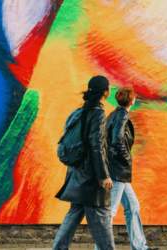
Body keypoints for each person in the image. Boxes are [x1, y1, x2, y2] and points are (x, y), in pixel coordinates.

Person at [52, 75, 115, 250]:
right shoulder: (98, 114)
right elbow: (97, 147)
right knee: (101, 214)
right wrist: (103, 176)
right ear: (105, 92)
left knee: (75, 213)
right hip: (90, 176)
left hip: (76, 171)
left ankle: (58, 248)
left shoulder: (78, 112)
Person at [99, 87, 158, 250]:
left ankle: (140, 247)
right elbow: (117, 140)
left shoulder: (113, 114)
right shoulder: (122, 115)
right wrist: (126, 158)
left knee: (133, 207)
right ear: (131, 101)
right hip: (118, 171)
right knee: (110, 212)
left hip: (117, 171)